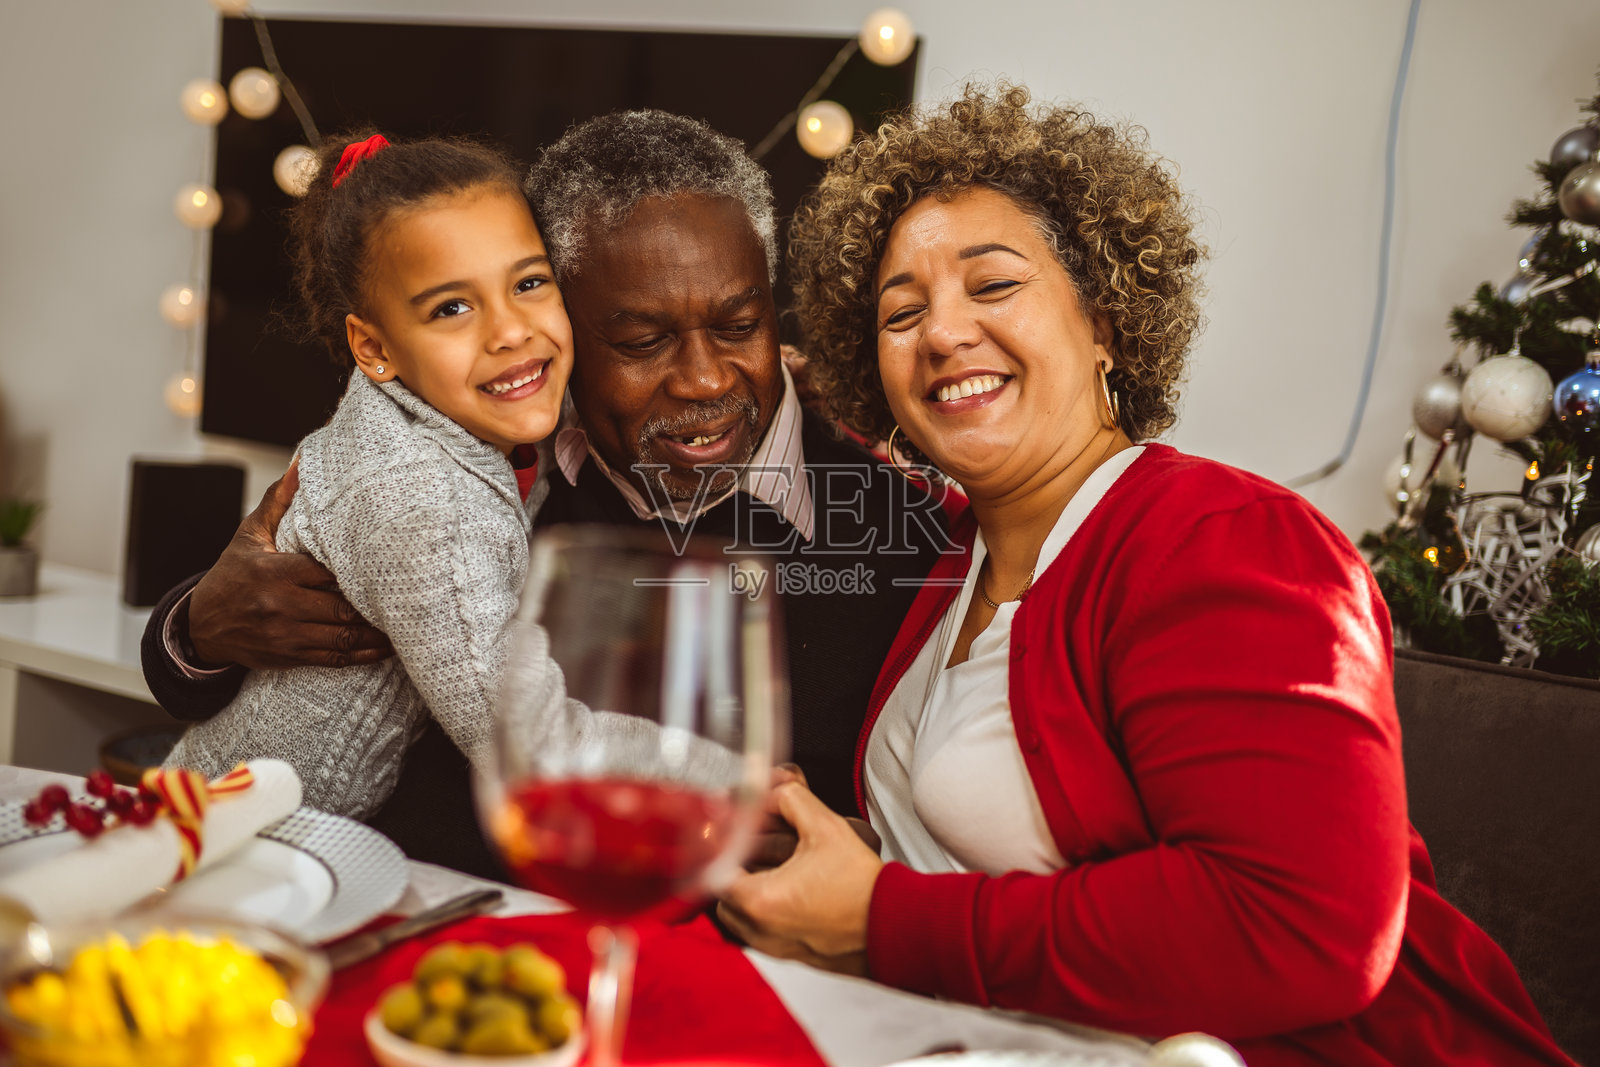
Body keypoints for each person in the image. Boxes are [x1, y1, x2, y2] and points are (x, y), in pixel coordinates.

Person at [715, 85, 1576, 1067]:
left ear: (1106, 325)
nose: (940, 333)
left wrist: (885, 914)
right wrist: (846, 859)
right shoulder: (956, 561)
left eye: (991, 286)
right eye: (898, 311)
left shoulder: (1228, 537)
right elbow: (1002, 853)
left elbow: (1301, 926)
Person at [141, 111, 950, 865]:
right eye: (641, 339)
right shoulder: (494, 451)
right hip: (383, 908)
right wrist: (196, 627)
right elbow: (228, 654)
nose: (705, 379)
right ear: (570, 328)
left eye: (740, 326)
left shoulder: (909, 534)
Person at [164, 132, 573, 818]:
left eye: (529, 283)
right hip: (237, 842)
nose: (510, 331)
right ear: (374, 348)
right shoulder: (419, 497)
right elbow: (531, 745)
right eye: (452, 306)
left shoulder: (468, 415)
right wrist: (717, 774)